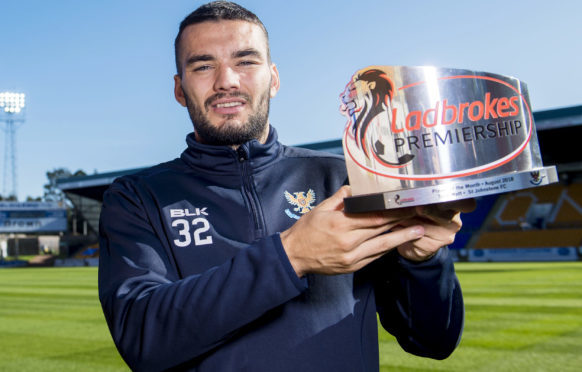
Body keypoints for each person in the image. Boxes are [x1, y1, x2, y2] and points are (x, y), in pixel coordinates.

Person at [98, 2, 475, 371]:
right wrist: (291, 256)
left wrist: (422, 261)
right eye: (203, 65)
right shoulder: (136, 198)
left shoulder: (347, 179)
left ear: (274, 79)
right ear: (180, 90)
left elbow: (433, 341)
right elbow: (142, 338)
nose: (226, 80)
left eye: (245, 61)